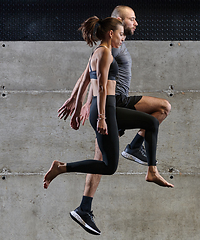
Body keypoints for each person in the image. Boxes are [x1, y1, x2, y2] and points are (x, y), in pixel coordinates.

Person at [44, 15, 173, 235]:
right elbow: (101, 87)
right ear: (111, 33)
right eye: (121, 34)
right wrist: (102, 117)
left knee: (118, 157)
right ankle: (63, 168)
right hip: (107, 110)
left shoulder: (96, 52)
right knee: (115, 159)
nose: (123, 38)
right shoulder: (104, 52)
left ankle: (149, 168)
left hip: (109, 110)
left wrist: (77, 110)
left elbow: (88, 81)